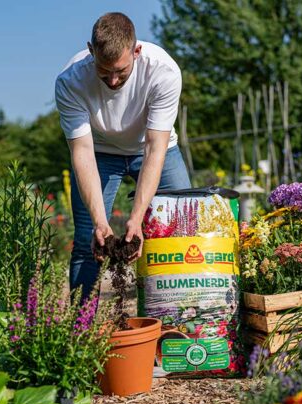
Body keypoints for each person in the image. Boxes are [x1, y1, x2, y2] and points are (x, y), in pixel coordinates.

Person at [55, 12, 191, 298]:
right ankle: (81, 322)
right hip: (100, 153)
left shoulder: (163, 71)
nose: (113, 80)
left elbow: (155, 147)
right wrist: (100, 222)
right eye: (104, 71)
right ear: (91, 51)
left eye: (121, 71)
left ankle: (180, 312)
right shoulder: (70, 81)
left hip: (153, 149)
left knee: (183, 226)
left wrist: (137, 218)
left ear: (136, 51)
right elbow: (82, 152)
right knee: (88, 240)